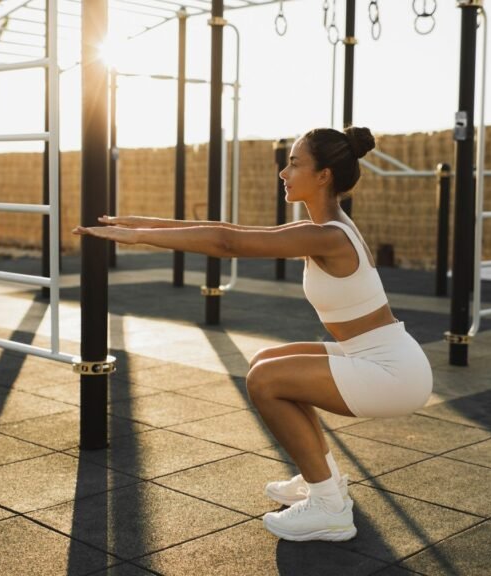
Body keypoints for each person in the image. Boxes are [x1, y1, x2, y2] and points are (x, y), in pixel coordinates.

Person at [73, 126, 433, 542]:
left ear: (324, 176)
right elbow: (229, 229)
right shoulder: (325, 227)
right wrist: (138, 223)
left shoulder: (328, 235)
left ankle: (330, 510)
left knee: (265, 382)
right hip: (378, 355)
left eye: (295, 164)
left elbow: (227, 243)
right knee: (266, 363)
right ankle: (325, 480)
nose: (284, 172)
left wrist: (136, 237)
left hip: (393, 372)